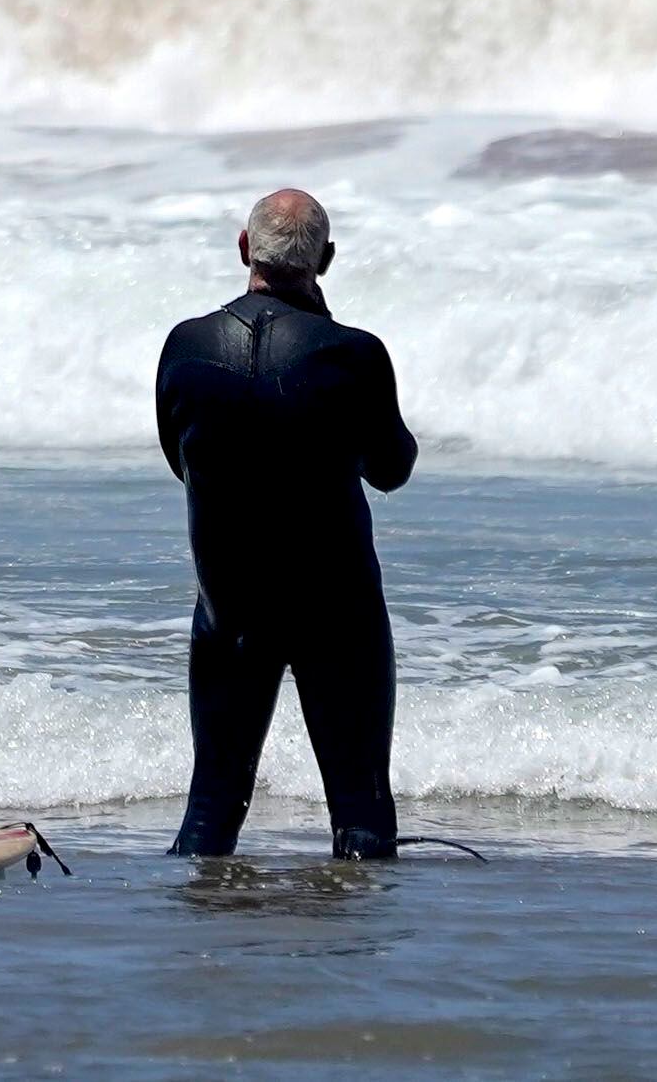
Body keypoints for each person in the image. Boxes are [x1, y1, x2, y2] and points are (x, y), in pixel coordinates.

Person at [153, 185, 415, 859]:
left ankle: (203, 945)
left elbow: (182, 460)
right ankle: (351, 956)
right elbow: (391, 467)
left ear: (244, 248)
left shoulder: (185, 346)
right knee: (359, 807)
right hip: (337, 606)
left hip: (229, 606)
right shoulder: (352, 354)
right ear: (324, 258)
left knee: (211, 805)